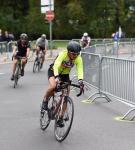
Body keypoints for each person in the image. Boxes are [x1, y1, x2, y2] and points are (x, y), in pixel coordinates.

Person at [41, 41, 84, 127]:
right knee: (53, 86)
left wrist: (80, 80)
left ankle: (60, 118)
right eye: (73, 54)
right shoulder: (63, 54)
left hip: (65, 75)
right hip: (53, 71)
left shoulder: (78, 58)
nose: (75, 56)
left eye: (77, 54)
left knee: (66, 95)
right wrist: (56, 77)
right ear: (68, 52)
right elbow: (56, 65)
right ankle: (45, 100)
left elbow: (80, 69)